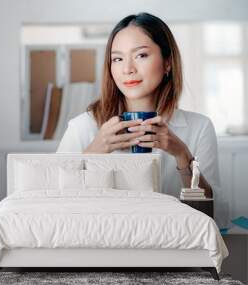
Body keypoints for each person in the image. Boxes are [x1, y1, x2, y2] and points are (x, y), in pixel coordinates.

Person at [56, 12, 221, 203]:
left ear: (167, 63)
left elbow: (213, 213)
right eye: (117, 59)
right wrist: (94, 151)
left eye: (141, 55)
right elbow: (51, 202)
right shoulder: (82, 127)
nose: (127, 69)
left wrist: (182, 154)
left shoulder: (199, 128)